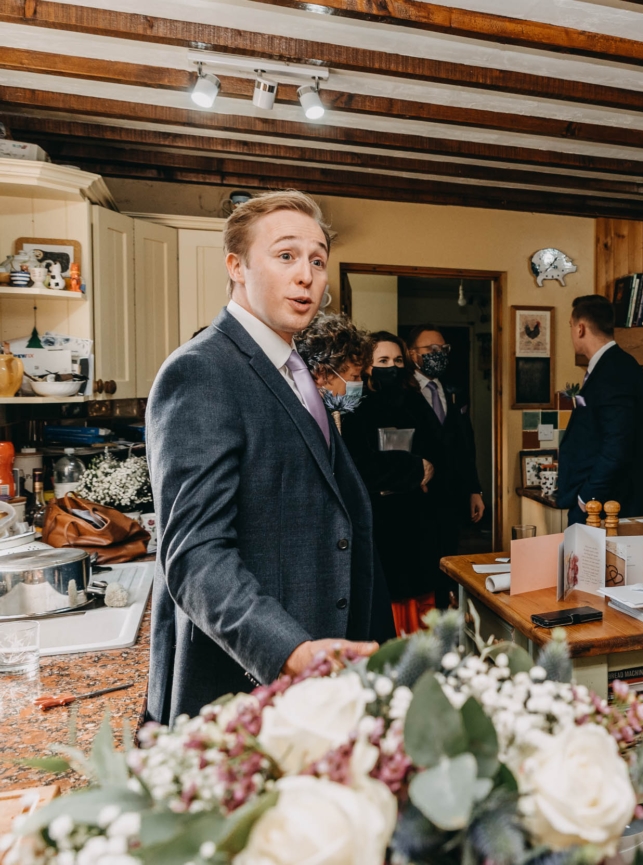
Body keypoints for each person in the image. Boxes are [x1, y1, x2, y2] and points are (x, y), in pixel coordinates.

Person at [146, 190, 390, 725]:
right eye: (286, 255)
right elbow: (195, 557)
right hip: (249, 686)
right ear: (236, 266)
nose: (306, 275)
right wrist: (288, 650)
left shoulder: (291, 368)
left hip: (322, 679)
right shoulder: (202, 370)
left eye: (318, 261)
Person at [343, 331, 442, 633]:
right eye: (383, 360)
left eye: (398, 360)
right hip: (379, 521)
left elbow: (438, 446)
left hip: (418, 517)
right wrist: (412, 468)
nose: (392, 367)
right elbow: (358, 464)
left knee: (421, 591)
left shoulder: (413, 398)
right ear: (366, 365)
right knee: (387, 601)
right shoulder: (354, 402)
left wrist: (428, 467)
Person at [555, 295, 643, 525]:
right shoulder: (613, 367)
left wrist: (586, 498)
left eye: (571, 326)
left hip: (609, 511)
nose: (571, 332)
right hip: (603, 506)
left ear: (580, 328)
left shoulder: (614, 372)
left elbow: (617, 446)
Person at [408, 324, 485, 573]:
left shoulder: (454, 390)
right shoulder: (403, 390)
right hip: (418, 495)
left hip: (452, 495)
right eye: (431, 349)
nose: (438, 354)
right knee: (420, 564)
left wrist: (474, 490)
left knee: (449, 562)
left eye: (442, 349)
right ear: (412, 353)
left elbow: (466, 444)